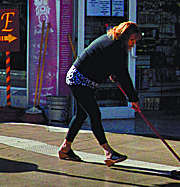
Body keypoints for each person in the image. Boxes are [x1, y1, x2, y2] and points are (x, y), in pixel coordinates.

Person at [58, 21, 141, 166]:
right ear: (125, 36)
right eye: (132, 40)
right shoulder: (116, 47)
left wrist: (112, 73)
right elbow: (123, 74)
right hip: (79, 80)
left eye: (135, 41)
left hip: (81, 79)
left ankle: (65, 148)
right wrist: (133, 98)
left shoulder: (112, 40)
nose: (133, 44)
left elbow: (109, 64)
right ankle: (109, 153)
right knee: (94, 114)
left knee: (81, 114)